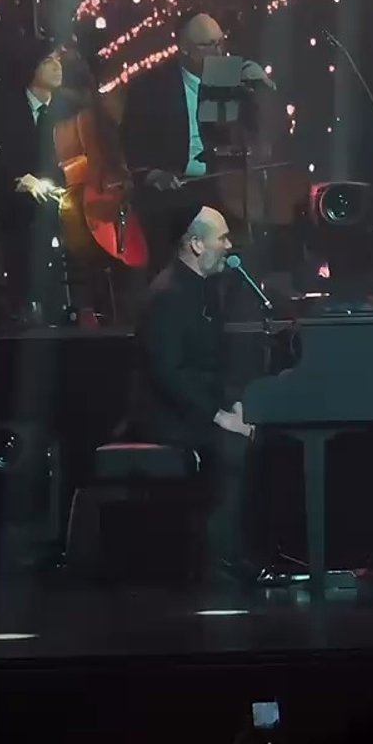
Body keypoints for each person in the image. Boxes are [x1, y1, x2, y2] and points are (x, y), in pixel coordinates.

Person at [130, 204, 256, 582]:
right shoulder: (168, 294)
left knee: (254, 436)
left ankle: (240, 549)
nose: (229, 246)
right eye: (223, 238)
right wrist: (220, 417)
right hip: (165, 416)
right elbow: (168, 373)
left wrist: (236, 404)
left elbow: (211, 364)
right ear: (197, 245)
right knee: (232, 446)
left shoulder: (202, 289)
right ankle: (219, 561)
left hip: (193, 408)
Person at [120, 9, 272, 271]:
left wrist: (257, 89)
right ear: (184, 49)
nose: (218, 52)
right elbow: (132, 144)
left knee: (251, 229)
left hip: (218, 186)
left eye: (220, 42)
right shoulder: (150, 87)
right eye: (208, 45)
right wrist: (153, 175)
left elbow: (249, 133)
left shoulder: (226, 79)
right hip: (175, 188)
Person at [0, 37, 68, 325]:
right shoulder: (4, 110)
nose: (57, 66)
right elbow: (0, 162)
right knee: (21, 214)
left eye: (58, 60)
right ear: (31, 68)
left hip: (66, 192)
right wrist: (21, 179)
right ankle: (23, 303)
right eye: (48, 61)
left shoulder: (70, 107)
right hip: (18, 197)